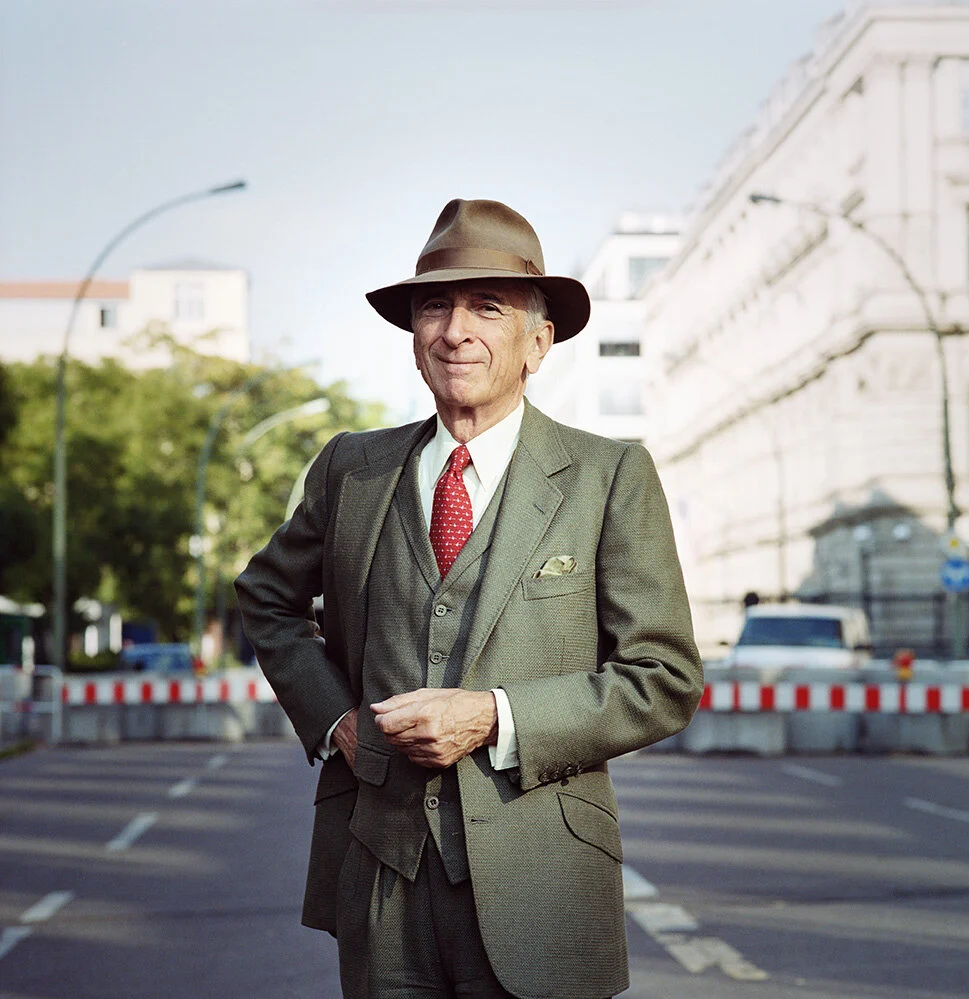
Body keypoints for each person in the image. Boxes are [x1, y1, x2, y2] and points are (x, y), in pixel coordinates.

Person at [234, 198, 703, 999]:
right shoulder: (353, 469)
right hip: (380, 871)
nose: (457, 330)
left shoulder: (609, 476)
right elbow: (265, 598)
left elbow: (662, 678)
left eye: (488, 306)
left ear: (538, 341)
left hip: (544, 879)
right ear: (415, 340)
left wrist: (493, 716)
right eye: (434, 306)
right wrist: (337, 720)